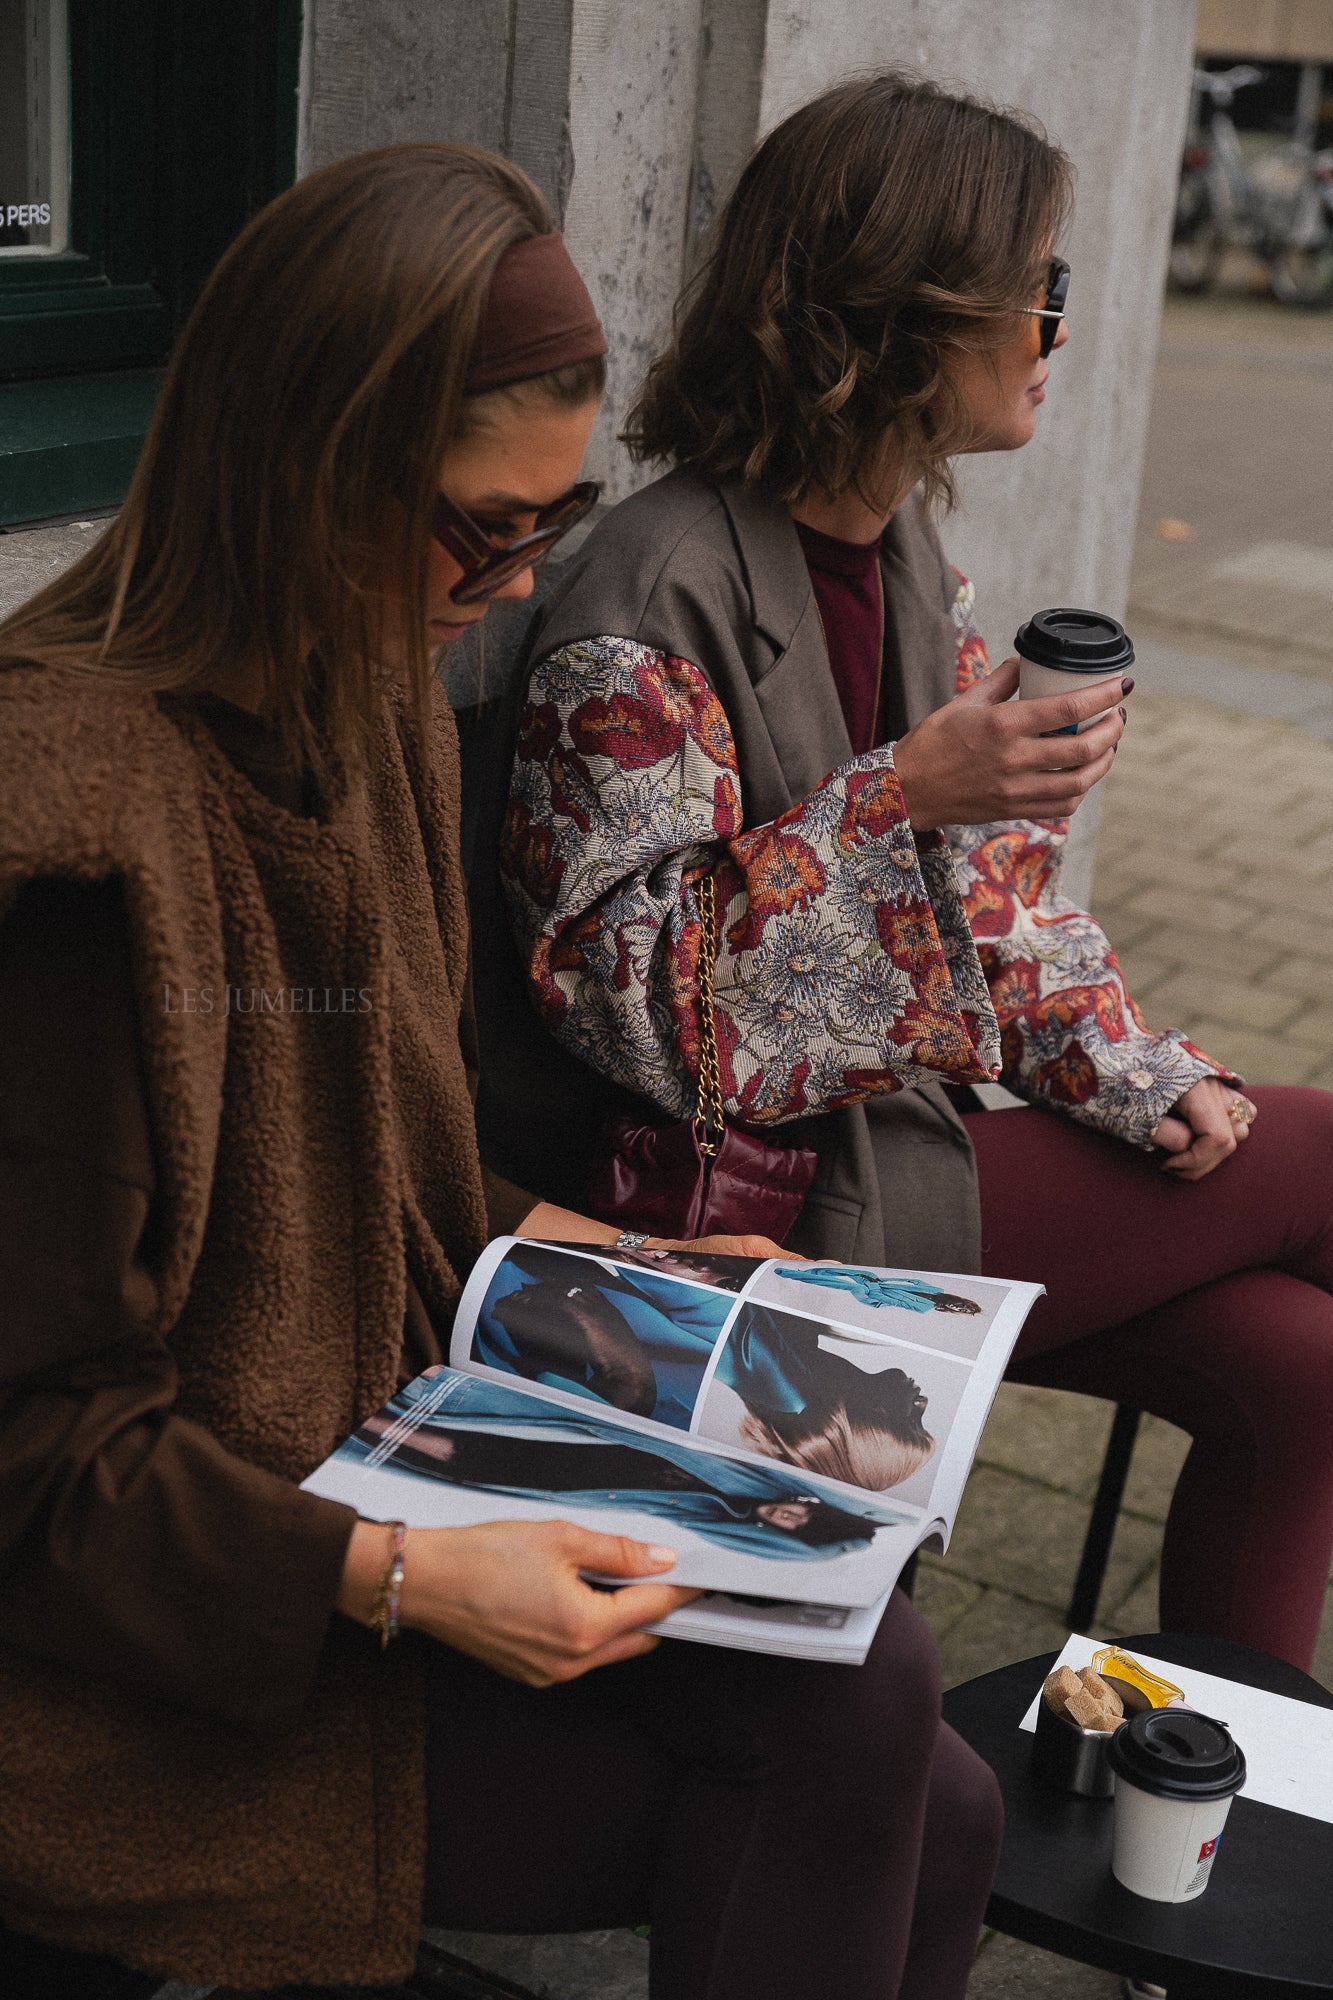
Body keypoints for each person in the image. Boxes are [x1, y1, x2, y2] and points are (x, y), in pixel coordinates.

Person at [0, 142, 1002, 1999]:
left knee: (932, 1784)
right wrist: (398, 1578)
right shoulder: (74, 845)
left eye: (554, 515)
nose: (523, 578)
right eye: (481, 524)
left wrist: (636, 1277)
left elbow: (361, 1176)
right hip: (157, 1659)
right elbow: (34, 1458)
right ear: (305, 471)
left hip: (361, 1493)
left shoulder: (354, 695)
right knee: (861, 1733)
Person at [486, 72, 1333, 1672]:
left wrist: (1132, 1070)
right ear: (901, 317)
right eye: (1043, 291)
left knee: (1296, 1367)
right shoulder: (641, 595)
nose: (1061, 333)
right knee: (1321, 1157)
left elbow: (981, 918)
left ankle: (1220, 1804)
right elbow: (633, 1011)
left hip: (886, 1155)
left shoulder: (894, 551)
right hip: (734, 1228)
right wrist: (897, 798)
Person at [350, 1376, 896, 1560]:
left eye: (790, 1529)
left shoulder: (731, 1524)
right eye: (799, 1515)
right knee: (464, 1435)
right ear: (807, 1505)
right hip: (590, 1442)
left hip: (579, 1484)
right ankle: (376, 1426)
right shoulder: (765, 1482)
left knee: (461, 1460)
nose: (783, 1516)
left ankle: (373, 1434)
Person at [775, 1267, 983, 1316]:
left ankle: (790, 1274)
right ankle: (814, 1270)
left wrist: (873, 1287)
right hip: (879, 1284)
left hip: (872, 1296)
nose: (958, 1307)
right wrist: (881, 1279)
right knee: (861, 1272)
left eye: (962, 1310)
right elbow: (911, 1279)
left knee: (853, 1285)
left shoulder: (924, 1308)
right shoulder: (936, 1290)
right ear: (960, 1300)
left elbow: (891, 1301)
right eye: (963, 1305)